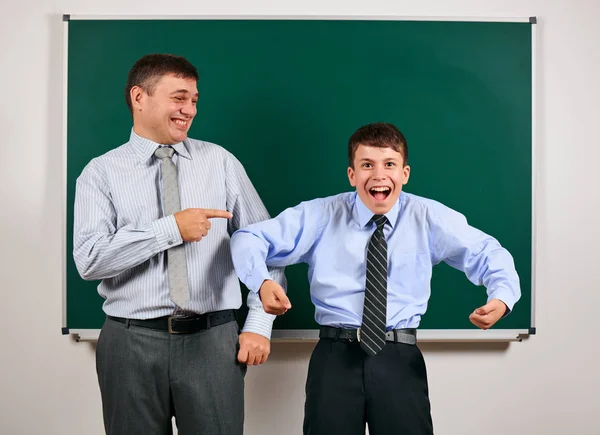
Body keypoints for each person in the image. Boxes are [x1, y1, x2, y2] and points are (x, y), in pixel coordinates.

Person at [230, 122, 521, 435]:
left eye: (390, 165)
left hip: (399, 357)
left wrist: (501, 298)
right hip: (334, 356)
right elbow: (247, 238)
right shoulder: (321, 215)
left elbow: (488, 252)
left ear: (404, 174)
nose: (379, 175)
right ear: (352, 175)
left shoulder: (427, 217)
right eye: (367, 165)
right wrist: (261, 282)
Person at [73, 53, 284, 435]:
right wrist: (170, 229)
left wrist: (258, 324)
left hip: (213, 341)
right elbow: (89, 259)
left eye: (194, 101)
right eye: (179, 98)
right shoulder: (100, 173)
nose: (189, 110)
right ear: (140, 97)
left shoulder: (219, 162)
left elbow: (267, 245)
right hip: (129, 344)